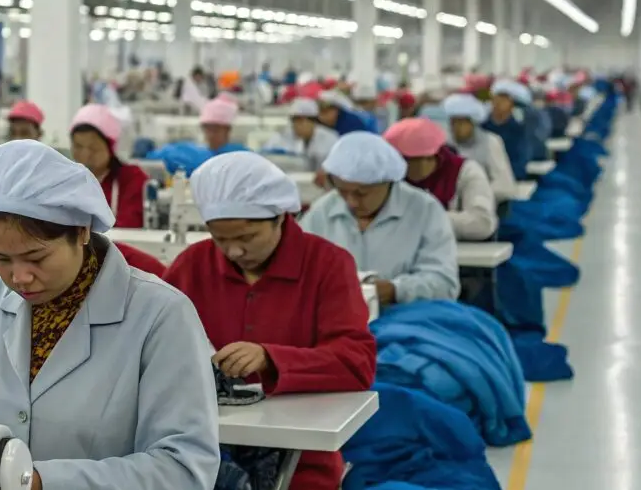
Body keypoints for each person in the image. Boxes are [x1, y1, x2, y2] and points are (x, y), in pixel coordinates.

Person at [0, 141, 220, 490]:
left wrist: (39, 481)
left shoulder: (160, 316)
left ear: (81, 231)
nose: (19, 277)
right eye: (1, 259)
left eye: (36, 258)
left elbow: (183, 469)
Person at [163, 152, 376, 490]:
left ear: (281, 218)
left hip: (301, 459)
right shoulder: (191, 266)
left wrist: (270, 359)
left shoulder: (328, 265)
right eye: (220, 238)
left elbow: (356, 362)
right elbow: (152, 346)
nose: (234, 251)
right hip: (200, 450)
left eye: (246, 238)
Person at [300, 132, 459, 305]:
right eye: (342, 191)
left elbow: (445, 283)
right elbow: (296, 266)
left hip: (406, 316)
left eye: (361, 193)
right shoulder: (322, 212)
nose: (351, 201)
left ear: (387, 182)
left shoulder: (424, 210)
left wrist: (395, 290)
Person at [383, 117, 497, 241]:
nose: (419, 166)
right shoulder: (388, 177)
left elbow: (482, 223)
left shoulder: (466, 171)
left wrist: (423, 219)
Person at [69, 104, 151, 228]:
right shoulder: (67, 180)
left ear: (111, 148)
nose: (85, 155)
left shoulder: (131, 178)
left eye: (93, 148)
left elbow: (129, 225)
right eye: (78, 146)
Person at [442, 93, 517, 202]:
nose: (457, 127)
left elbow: (505, 186)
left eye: (461, 122)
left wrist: (475, 194)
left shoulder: (491, 142)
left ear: (472, 123)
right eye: (453, 122)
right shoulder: (445, 143)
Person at [267, 98, 339, 171]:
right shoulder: (279, 137)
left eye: (308, 119)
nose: (303, 124)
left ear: (315, 122)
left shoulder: (330, 138)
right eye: (297, 120)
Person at [482, 80, 530, 181]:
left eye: (504, 99)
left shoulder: (518, 130)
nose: (499, 103)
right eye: (497, 98)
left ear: (512, 104)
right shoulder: (483, 127)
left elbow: (520, 163)